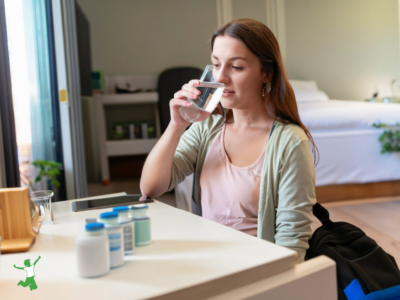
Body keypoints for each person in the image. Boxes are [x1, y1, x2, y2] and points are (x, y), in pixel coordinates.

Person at [140, 19, 317, 262]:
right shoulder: (207, 129)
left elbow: (292, 240)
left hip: (258, 273)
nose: (220, 77)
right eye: (215, 64)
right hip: (209, 263)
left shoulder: (289, 142)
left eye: (236, 67)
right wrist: (177, 125)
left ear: (266, 73)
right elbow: (151, 187)